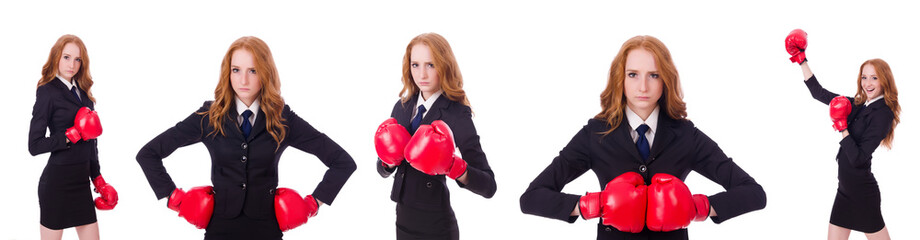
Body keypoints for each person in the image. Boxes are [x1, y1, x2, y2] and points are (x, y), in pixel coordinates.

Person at [519, 35, 766, 239]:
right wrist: (591, 205)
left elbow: (754, 193)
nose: (643, 87)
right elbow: (531, 198)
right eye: (633, 74)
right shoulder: (596, 134)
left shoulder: (686, 135)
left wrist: (699, 207)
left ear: (666, 80)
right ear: (621, 78)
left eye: (654, 75)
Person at [136, 36, 356, 240]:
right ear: (227, 73)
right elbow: (148, 154)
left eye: (253, 70)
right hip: (219, 230)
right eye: (236, 70)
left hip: (266, 230)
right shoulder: (209, 117)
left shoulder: (282, 119)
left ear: (266, 73)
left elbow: (343, 162)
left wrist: (313, 204)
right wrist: (173, 198)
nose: (243, 79)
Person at [373, 32, 497, 239]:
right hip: (402, 224)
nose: (422, 74)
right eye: (416, 65)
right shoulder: (402, 107)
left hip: (437, 228)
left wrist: (453, 166)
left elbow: (489, 186)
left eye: (430, 65)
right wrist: (387, 162)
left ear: (444, 65)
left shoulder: (456, 113)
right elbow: (382, 169)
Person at [786, 29, 898, 240]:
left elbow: (858, 158)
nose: (868, 83)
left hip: (863, 192)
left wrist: (842, 128)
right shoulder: (860, 105)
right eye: (864, 77)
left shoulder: (883, 113)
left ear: (885, 80)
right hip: (845, 189)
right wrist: (801, 60)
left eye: (874, 78)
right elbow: (819, 93)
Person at [29, 34, 118, 240]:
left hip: (81, 184)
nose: (72, 64)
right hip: (56, 184)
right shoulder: (47, 92)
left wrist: (98, 179)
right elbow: (34, 145)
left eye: (77, 59)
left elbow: (92, 143)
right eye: (67, 57)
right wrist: (70, 136)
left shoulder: (85, 95)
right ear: (56, 57)